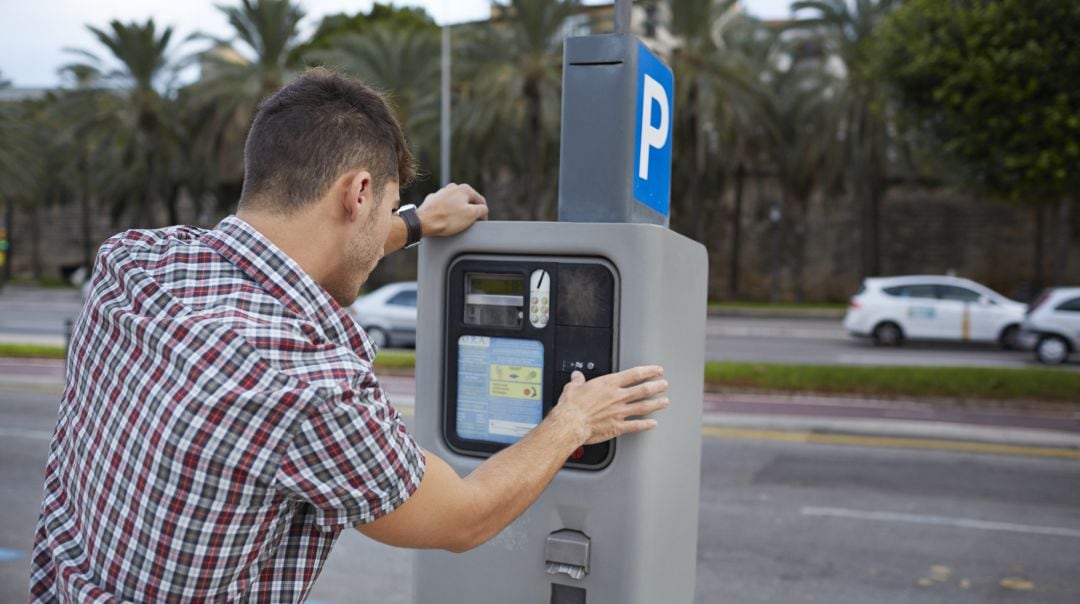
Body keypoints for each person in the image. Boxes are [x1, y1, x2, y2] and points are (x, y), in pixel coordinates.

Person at [29, 68, 668, 603]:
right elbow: (465, 517)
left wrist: (412, 223)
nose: (389, 220)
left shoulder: (134, 262)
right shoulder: (303, 383)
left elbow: (286, 250)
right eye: (387, 205)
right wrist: (574, 422)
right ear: (358, 193)